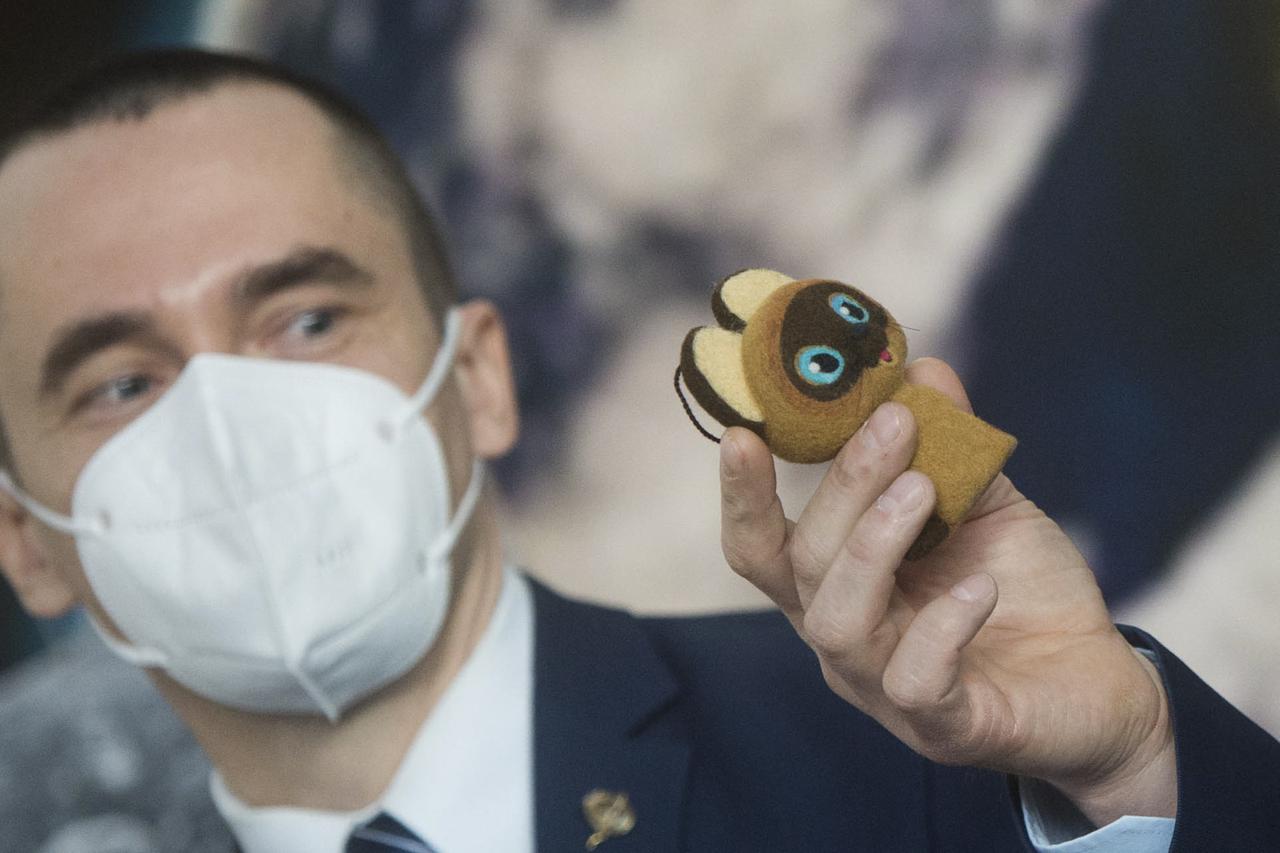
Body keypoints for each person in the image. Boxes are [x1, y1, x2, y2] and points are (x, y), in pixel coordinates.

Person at [0, 49, 1273, 853]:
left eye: (308, 315)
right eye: (120, 378)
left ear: (480, 379)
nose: (233, 419)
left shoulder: (907, 763)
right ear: (27, 546)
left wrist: (1125, 767)